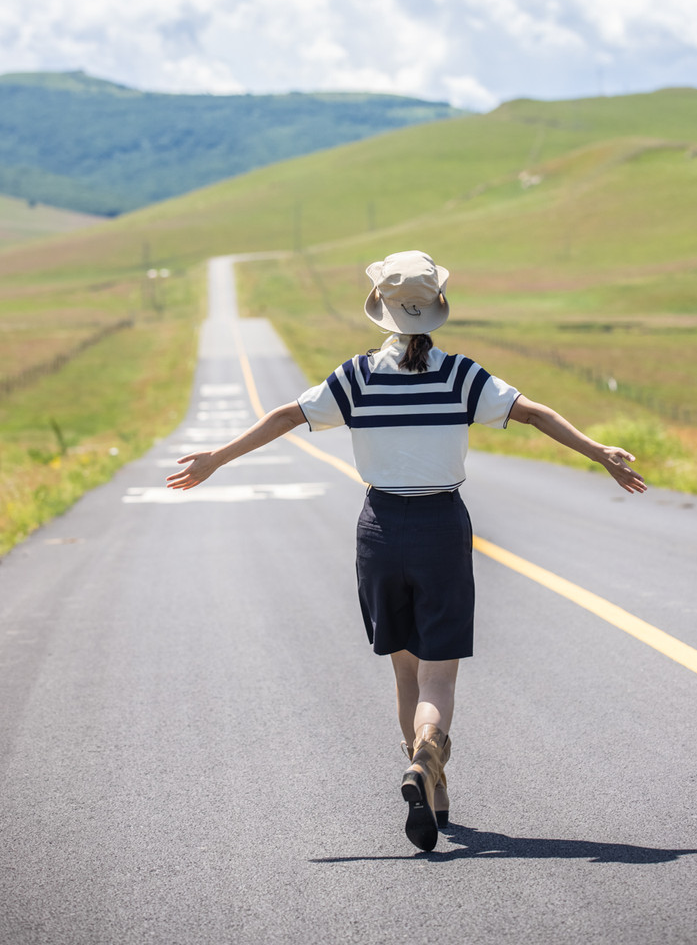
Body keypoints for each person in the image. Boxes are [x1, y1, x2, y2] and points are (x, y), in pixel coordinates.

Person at [167, 250, 646, 853]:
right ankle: (427, 761)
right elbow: (536, 414)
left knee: (404, 669)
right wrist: (600, 451)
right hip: (443, 526)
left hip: (380, 529)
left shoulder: (357, 376)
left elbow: (287, 414)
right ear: (438, 309)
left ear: (382, 313)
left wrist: (216, 459)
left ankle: (431, 785)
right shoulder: (461, 375)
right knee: (438, 678)